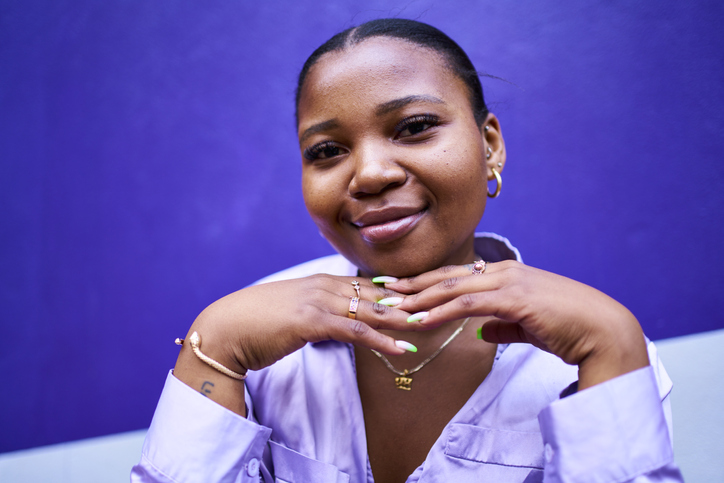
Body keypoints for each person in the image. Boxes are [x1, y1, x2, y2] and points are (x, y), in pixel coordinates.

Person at [132, 19, 683, 483]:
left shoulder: (594, 349)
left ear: (488, 143)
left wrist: (615, 345)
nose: (369, 173)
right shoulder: (253, 339)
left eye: (415, 127)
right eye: (326, 151)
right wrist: (216, 346)